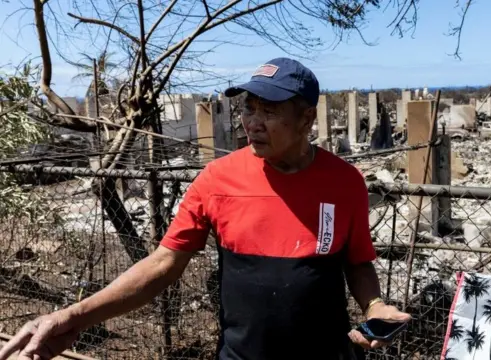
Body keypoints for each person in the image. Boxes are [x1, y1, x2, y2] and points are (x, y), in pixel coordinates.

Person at [0, 57, 411, 360]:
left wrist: (374, 306)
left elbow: (356, 262)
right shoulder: (218, 179)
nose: (253, 122)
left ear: (306, 119)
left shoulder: (344, 181)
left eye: (269, 111)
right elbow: (162, 265)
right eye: (249, 108)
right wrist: (73, 317)